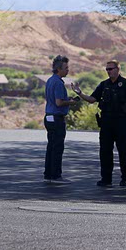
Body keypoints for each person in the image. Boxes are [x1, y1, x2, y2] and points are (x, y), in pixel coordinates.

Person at [72, 60, 126, 187]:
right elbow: (92, 99)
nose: (108, 71)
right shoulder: (103, 85)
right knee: (105, 151)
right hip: (106, 122)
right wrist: (79, 92)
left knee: (122, 151)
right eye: (107, 69)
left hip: (121, 122)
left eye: (110, 69)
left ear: (118, 69)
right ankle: (106, 179)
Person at [43, 55, 79, 185]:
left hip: (48, 117)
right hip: (57, 118)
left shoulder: (50, 80)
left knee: (51, 146)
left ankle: (48, 174)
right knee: (57, 147)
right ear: (59, 69)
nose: (67, 70)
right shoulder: (58, 82)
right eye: (66, 68)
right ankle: (56, 176)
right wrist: (71, 102)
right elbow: (59, 102)